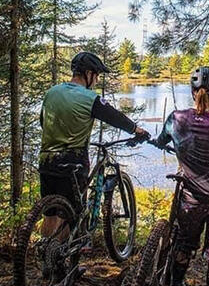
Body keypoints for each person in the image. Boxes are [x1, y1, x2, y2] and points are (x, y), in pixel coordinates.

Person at [39, 51, 149, 239]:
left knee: (50, 214)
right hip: (73, 162)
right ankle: (61, 263)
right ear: (89, 74)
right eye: (97, 75)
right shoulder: (90, 98)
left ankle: (45, 253)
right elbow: (116, 117)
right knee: (69, 216)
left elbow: (44, 121)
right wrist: (137, 130)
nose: (97, 80)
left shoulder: (52, 92)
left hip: (46, 160)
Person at [154, 66, 209, 286]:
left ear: (192, 91)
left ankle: (176, 285)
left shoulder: (176, 118)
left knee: (184, 243)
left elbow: (161, 140)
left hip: (191, 200)